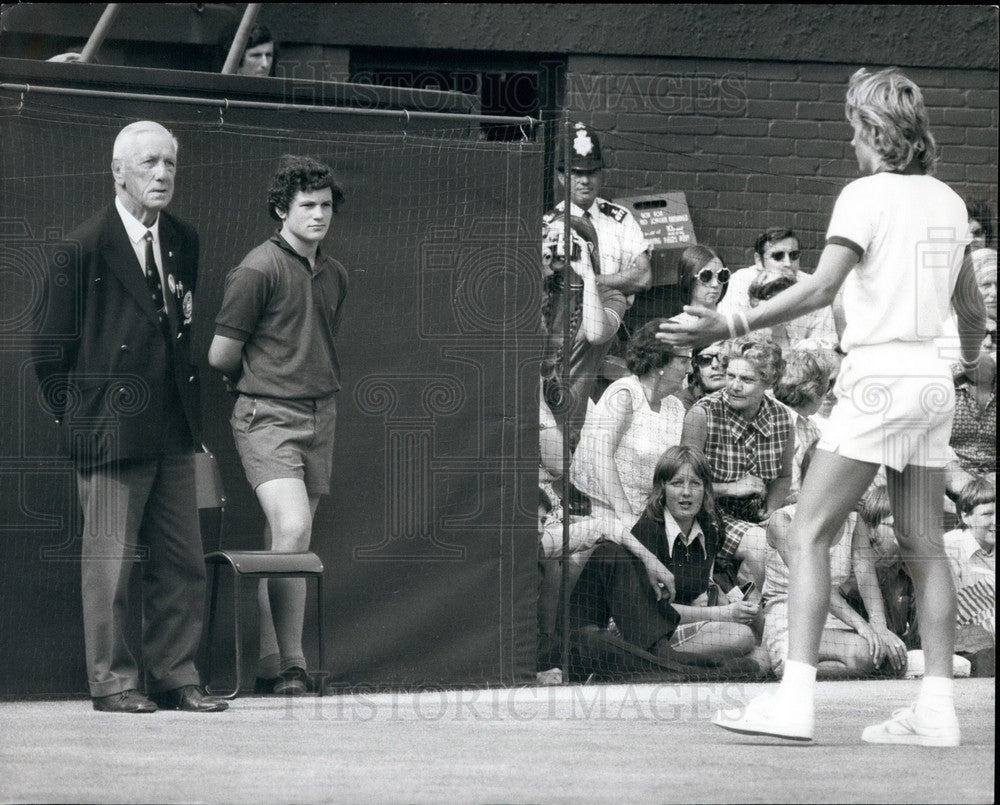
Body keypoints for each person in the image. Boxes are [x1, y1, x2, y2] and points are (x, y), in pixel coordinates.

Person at [660, 67, 992, 745]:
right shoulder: (952, 204)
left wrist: (725, 326)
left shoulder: (863, 196)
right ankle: (936, 711)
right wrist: (955, 359)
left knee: (805, 530)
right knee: (926, 542)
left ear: (871, 130)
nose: (848, 142)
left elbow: (819, 289)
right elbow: (971, 313)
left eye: (852, 128)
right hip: (930, 384)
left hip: (879, 379)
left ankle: (794, 701)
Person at [32, 121, 227, 713]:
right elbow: (48, 352)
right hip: (109, 430)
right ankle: (114, 682)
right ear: (118, 171)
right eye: (148, 164)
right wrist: (84, 419)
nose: (162, 174)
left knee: (183, 563)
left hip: (173, 427)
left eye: (169, 163)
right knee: (111, 566)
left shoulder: (183, 239)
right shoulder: (83, 245)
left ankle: (174, 674)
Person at [209, 155, 348, 695]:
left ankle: (272, 662)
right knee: (291, 530)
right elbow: (222, 354)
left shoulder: (332, 273)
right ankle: (292, 661)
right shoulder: (257, 269)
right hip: (266, 414)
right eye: (307, 206)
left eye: (326, 206)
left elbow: (316, 338)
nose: (318, 215)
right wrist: (263, 386)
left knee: (291, 536)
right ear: (280, 210)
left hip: (322, 414)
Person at [569, 446, 759, 677]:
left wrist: (732, 603)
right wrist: (724, 614)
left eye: (695, 484)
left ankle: (707, 668)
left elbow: (700, 591)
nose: (686, 492)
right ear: (662, 489)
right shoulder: (648, 531)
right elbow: (650, 612)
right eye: (677, 483)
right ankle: (698, 670)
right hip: (639, 632)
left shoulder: (708, 530)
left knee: (760, 654)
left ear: (706, 491)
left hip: (681, 625)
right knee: (741, 639)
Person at [762, 444, 908, 679]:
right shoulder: (782, 521)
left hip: (835, 620)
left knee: (881, 656)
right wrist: (862, 626)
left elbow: (867, 580)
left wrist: (879, 627)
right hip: (790, 618)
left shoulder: (854, 520)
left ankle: (798, 673)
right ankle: (789, 669)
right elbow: (814, 585)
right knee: (866, 653)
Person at [680, 335, 794, 594]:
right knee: (761, 546)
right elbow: (683, 483)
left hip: (757, 517)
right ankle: (748, 609)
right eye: (731, 376)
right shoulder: (702, 415)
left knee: (797, 539)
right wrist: (732, 488)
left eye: (746, 379)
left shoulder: (782, 418)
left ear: (768, 382)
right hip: (708, 515)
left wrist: (771, 509)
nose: (734, 386)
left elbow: (784, 477)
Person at [717, 227, 840, 347]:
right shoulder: (739, 282)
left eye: (794, 255)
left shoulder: (813, 286)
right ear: (759, 261)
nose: (788, 263)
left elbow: (827, 343)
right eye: (778, 256)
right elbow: (726, 339)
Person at [943, 477, 995, 671]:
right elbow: (955, 610)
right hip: (961, 632)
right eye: (987, 514)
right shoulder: (950, 547)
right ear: (966, 517)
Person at [771, 349, 828, 503]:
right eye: (825, 388)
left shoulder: (811, 428)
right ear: (813, 389)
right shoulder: (772, 417)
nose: (827, 395)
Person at [676, 340, 730, 412]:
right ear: (695, 365)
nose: (715, 365)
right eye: (706, 359)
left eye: (723, 359)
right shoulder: (680, 404)